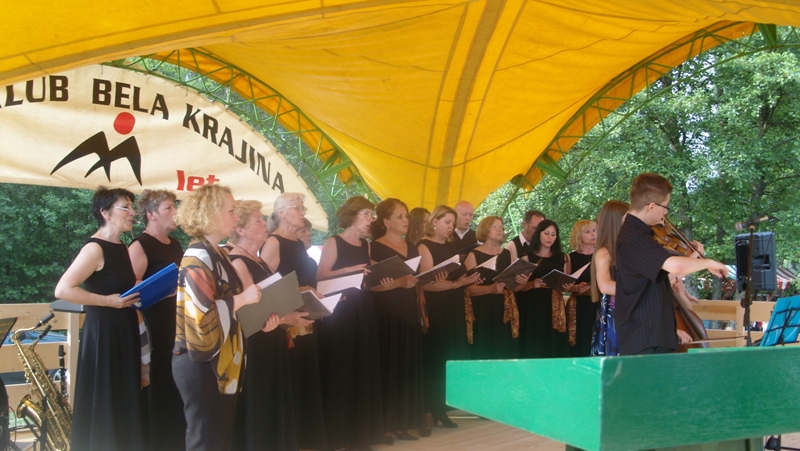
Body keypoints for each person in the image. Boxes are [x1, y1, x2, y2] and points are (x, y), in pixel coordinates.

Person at [171, 184, 273, 451]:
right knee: (206, 441)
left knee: (217, 440)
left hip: (218, 360)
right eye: (230, 211)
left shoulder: (217, 253)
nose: (236, 217)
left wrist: (261, 321)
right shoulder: (198, 255)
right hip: (201, 361)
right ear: (211, 214)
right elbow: (201, 313)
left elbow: (230, 309)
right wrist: (244, 298)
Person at [55, 187, 145, 451]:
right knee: (105, 395)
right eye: (125, 207)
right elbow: (63, 290)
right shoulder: (94, 248)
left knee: (123, 395)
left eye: (132, 207)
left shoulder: (122, 247)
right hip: (103, 332)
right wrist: (109, 301)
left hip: (123, 329)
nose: (132, 212)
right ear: (105, 213)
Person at [614, 172, 727, 355]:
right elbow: (675, 266)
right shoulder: (633, 238)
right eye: (665, 206)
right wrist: (709, 263)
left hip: (654, 333)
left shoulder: (641, 235)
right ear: (652, 206)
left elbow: (666, 274)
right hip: (644, 335)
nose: (666, 213)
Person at [229, 200, 307, 451]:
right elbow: (249, 312)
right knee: (260, 403)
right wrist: (287, 319)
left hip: (271, 338)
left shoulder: (258, 259)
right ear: (240, 229)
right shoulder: (238, 261)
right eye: (258, 221)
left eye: (263, 219)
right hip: (255, 343)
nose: (265, 224)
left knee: (274, 400)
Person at [316, 196, 385, 450]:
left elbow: (365, 277)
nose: (370, 220)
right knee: (342, 369)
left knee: (362, 367)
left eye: (371, 215)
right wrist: (349, 271)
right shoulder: (333, 242)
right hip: (341, 312)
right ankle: (338, 436)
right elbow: (320, 276)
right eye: (366, 214)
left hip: (362, 307)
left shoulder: (366, 245)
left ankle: (360, 435)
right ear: (352, 216)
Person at [260, 193, 328, 451]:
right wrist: (302, 290)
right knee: (292, 375)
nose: (302, 213)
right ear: (281, 212)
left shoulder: (297, 243)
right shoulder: (273, 243)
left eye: (303, 208)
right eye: (298, 208)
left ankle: (305, 438)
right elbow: (265, 288)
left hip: (305, 316)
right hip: (286, 322)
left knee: (305, 375)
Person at [128, 189, 185, 450]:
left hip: (176, 322)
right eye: (168, 208)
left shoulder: (175, 244)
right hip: (153, 324)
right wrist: (163, 289)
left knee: (175, 380)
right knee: (159, 380)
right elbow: (129, 286)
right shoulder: (140, 245)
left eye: (174, 206)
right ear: (151, 214)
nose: (175, 212)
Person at [417, 205, 481, 435]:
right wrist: (456, 283)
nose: (451, 226)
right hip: (436, 308)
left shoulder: (452, 246)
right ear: (434, 222)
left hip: (453, 305)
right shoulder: (424, 246)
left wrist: (471, 277)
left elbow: (458, 275)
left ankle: (441, 409)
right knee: (434, 357)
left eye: (453, 223)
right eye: (447, 222)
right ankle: (427, 410)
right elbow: (425, 284)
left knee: (448, 357)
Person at [369, 198, 424, 442]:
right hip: (386, 313)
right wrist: (399, 283)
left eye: (406, 216)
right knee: (388, 365)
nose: (405, 220)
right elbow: (371, 285)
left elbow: (416, 279)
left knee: (405, 365)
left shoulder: (412, 247)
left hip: (408, 311)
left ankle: (402, 423)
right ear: (386, 222)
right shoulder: (373, 248)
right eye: (399, 216)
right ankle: (385, 426)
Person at [463, 216, 526, 360]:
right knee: (485, 347)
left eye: (501, 227)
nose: (500, 230)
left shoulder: (506, 253)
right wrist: (490, 289)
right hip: (482, 308)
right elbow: (466, 289)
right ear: (485, 229)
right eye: (495, 227)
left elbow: (514, 288)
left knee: (505, 349)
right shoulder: (474, 255)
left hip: (504, 307)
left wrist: (522, 281)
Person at [517, 219, 570, 358]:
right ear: (538, 234)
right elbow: (517, 287)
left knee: (553, 341)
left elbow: (563, 281)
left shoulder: (561, 257)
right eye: (546, 233)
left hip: (554, 303)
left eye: (553, 234)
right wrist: (531, 284)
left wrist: (567, 285)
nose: (549, 237)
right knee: (535, 341)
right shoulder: (527, 257)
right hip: (533, 304)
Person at [590, 200, 629, 357]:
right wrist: (639, 288)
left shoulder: (627, 248)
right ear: (616, 221)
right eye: (627, 219)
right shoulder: (604, 252)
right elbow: (605, 285)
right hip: (615, 314)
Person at [566, 220, 596, 357]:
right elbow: (565, 285)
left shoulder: (602, 255)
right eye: (587, 232)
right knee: (580, 339)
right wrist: (576, 288)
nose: (592, 234)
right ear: (579, 235)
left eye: (594, 231)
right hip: (579, 306)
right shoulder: (570, 258)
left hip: (598, 302)